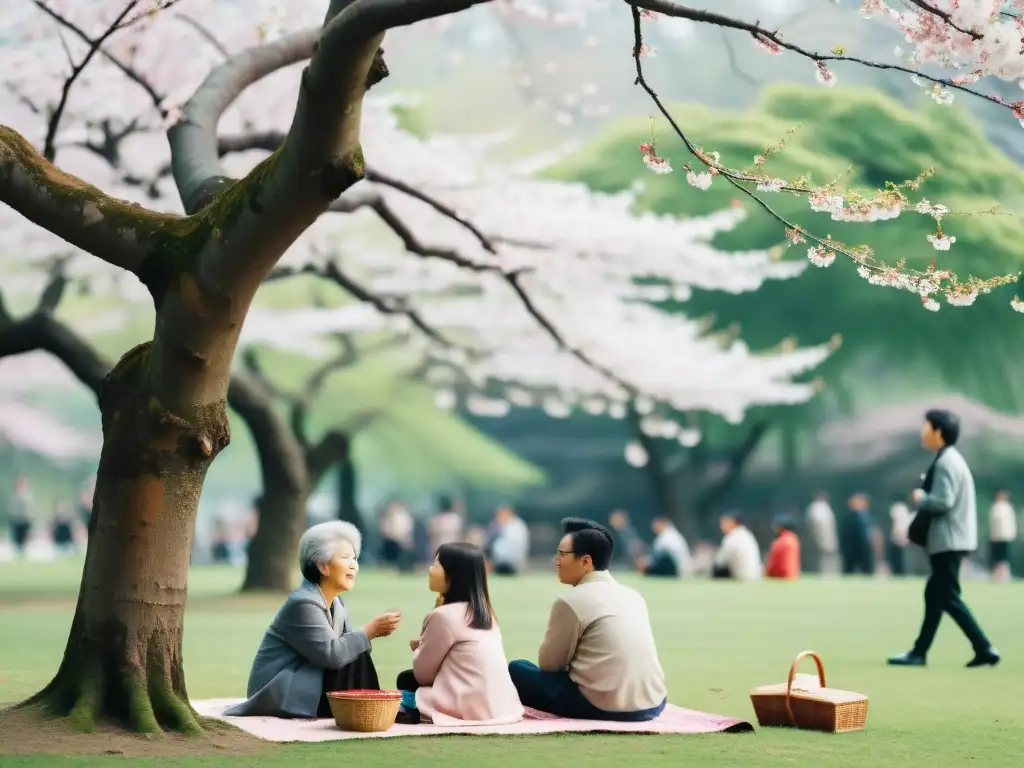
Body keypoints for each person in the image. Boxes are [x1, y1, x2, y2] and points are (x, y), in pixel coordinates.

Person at [223, 521, 402, 717]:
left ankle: (368, 708)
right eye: (345, 558)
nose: (353, 565)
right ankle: (368, 710)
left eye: (355, 558)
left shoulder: (337, 603)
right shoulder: (303, 603)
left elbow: (350, 649)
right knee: (352, 651)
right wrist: (370, 630)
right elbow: (332, 655)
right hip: (281, 689)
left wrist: (368, 634)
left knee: (356, 653)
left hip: (307, 679)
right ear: (323, 566)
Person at [508, 517, 667, 722]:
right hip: (653, 703)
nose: (556, 561)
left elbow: (549, 665)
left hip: (601, 706)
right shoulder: (633, 595)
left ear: (586, 562)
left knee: (517, 669)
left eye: (562, 554)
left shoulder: (571, 601)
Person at [888, 409, 1000, 668]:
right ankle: (920, 652)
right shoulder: (950, 459)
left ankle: (983, 647)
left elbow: (944, 501)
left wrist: (921, 497)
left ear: (938, 431)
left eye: (926, 427)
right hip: (952, 539)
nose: (923, 432)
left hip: (949, 540)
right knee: (936, 594)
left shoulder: (946, 461)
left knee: (947, 596)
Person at [395, 543, 523, 726]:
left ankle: (409, 709)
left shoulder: (443, 615)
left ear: (453, 575)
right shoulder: (486, 614)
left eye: (435, 564)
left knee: (405, 680)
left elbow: (422, 674)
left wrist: (419, 647)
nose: (430, 570)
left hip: (467, 704)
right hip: (499, 705)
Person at [711, 513, 762, 580]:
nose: (722, 526)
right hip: (755, 575)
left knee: (717, 569)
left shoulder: (732, 536)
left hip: (741, 576)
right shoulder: (747, 534)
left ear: (732, 523)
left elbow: (720, 561)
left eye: (724, 523)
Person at [840, 493, 876, 576]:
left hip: (864, 548)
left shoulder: (865, 516)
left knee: (867, 572)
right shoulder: (848, 517)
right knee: (849, 571)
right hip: (850, 549)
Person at [489, 505, 530, 575]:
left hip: (507, 564)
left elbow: (501, 550)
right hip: (517, 565)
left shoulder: (510, 526)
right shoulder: (520, 524)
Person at [805, 491, 838, 575]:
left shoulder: (823, 508)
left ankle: (826, 572)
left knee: (825, 557)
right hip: (819, 538)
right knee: (818, 558)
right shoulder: (815, 508)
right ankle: (819, 572)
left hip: (826, 538)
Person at [987, 490, 1016, 582]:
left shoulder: (1007, 508)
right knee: (996, 557)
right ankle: (996, 575)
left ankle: (1004, 576)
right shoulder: (995, 508)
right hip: (995, 537)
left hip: (1004, 537)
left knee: (1003, 558)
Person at [379, 500, 414, 572]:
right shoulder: (388, 517)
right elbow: (385, 529)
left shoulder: (404, 516)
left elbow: (407, 529)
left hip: (402, 540)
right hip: (392, 541)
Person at [764, 516, 800, 580]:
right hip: (793, 576)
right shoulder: (794, 539)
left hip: (781, 576)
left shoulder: (780, 542)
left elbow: (773, 565)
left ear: (782, 527)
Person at [888, 494, 911, 577]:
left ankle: (898, 574)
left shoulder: (897, 509)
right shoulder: (905, 509)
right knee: (900, 559)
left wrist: (896, 536)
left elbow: (897, 524)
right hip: (903, 538)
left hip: (898, 538)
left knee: (896, 559)